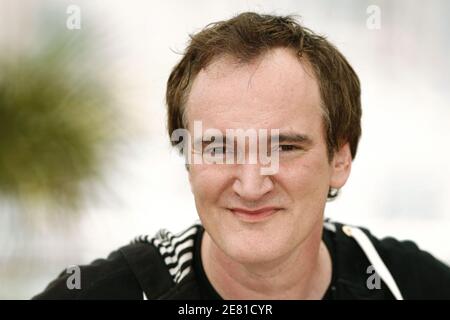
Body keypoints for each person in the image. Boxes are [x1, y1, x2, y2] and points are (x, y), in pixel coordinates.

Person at [33, 12, 450, 300]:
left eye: (284, 147)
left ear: (339, 159)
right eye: (219, 148)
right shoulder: (106, 293)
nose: (251, 186)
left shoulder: (412, 284)